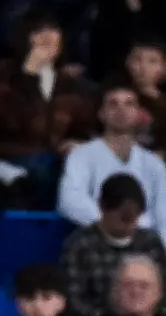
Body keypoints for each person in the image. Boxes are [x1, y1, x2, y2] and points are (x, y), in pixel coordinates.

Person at [60, 81, 166, 225]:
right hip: (96, 237)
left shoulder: (154, 164)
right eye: (113, 104)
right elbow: (70, 201)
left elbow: (162, 214)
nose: (121, 110)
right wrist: (115, 223)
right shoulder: (81, 155)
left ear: (138, 113)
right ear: (101, 113)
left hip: (144, 241)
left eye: (129, 104)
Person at [62, 175, 166, 316]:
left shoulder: (150, 243)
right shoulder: (80, 245)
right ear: (102, 207)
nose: (129, 224)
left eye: (135, 217)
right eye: (123, 218)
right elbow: (73, 302)